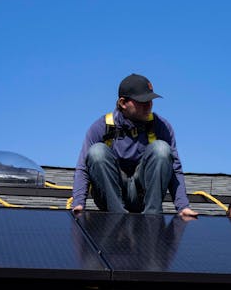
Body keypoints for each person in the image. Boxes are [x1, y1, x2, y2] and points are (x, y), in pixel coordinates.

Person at [72, 73, 198, 217]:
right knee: (97, 152)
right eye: (142, 101)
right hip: (112, 197)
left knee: (161, 149)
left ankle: (152, 219)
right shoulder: (102, 127)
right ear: (123, 103)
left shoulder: (161, 126)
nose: (148, 105)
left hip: (142, 196)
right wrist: (78, 203)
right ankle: (117, 217)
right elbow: (83, 168)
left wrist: (183, 206)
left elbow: (175, 168)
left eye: (150, 100)